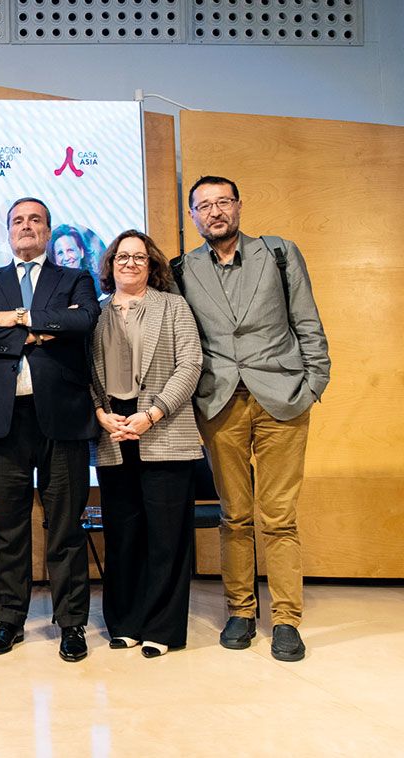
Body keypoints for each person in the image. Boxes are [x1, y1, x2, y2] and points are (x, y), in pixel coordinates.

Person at [178, 175, 330, 662]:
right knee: (234, 515)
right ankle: (241, 611)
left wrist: (313, 385)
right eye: (204, 206)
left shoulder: (279, 253)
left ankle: (286, 620)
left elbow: (307, 321)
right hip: (220, 403)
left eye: (223, 202)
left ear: (239, 206)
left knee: (279, 517)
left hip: (282, 397)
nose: (214, 212)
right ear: (193, 216)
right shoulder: (184, 269)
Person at [0, 197, 100, 662]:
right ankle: (9, 620)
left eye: (35, 220)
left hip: (62, 418)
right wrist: (41, 333)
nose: (26, 227)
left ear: (48, 230)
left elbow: (83, 321)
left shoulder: (74, 278)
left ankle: (72, 624)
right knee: (10, 528)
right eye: (18, 221)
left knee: (65, 528)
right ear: (8, 231)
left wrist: (19, 319)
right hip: (5, 419)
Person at [90, 231, 202, 658]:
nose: (130, 263)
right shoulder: (97, 315)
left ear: (152, 264)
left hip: (164, 431)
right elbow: (84, 372)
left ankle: (161, 627)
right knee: (123, 535)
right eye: (122, 256)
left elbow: (191, 363)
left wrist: (152, 414)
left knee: (166, 538)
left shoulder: (173, 307)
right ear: (111, 264)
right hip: (114, 433)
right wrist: (100, 412)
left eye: (139, 257)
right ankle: (126, 622)